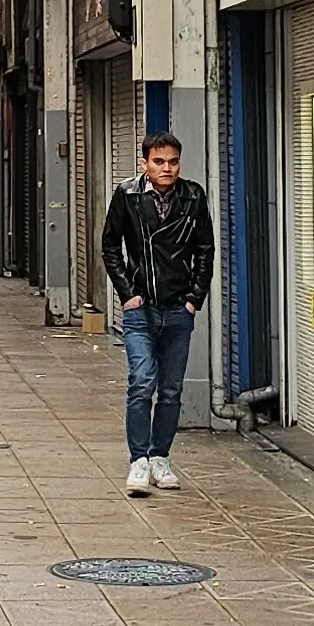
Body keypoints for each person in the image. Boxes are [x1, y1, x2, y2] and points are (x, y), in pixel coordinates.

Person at [99, 130, 215, 498]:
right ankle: (139, 460)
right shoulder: (128, 195)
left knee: (171, 389)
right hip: (140, 309)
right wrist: (127, 294)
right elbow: (110, 246)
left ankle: (161, 457)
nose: (167, 168)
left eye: (173, 161)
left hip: (179, 307)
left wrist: (194, 298)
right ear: (145, 163)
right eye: (159, 161)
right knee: (142, 381)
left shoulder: (193, 196)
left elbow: (205, 249)